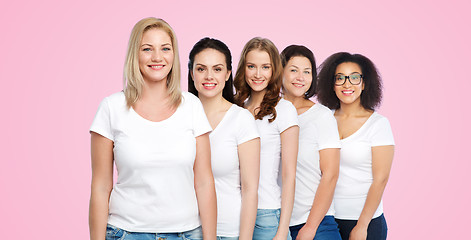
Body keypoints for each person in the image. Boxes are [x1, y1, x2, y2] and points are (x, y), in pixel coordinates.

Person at [89, 17, 217, 240]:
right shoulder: (111, 108)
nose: (157, 57)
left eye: (165, 48)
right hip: (126, 233)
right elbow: (100, 186)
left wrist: (211, 237)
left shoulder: (192, 106)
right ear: (135, 55)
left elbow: (204, 181)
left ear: (173, 55)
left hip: (187, 234)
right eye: (147, 49)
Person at [188, 37, 261, 240]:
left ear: (228, 73)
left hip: (227, 232)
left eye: (217, 69)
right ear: (191, 73)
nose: (209, 76)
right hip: (184, 231)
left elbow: (250, 190)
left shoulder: (241, 119)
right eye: (201, 69)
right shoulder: (180, 116)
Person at [317, 52, 395, 240]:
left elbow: (380, 179)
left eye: (354, 77)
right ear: (331, 84)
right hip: (326, 219)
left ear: (364, 83)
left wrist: (362, 226)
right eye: (340, 78)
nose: (347, 84)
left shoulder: (378, 124)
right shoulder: (322, 119)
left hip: (364, 221)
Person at [233, 37, 299, 240]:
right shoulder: (236, 108)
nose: (258, 74)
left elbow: (289, 176)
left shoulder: (284, 110)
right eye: (251, 66)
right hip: (234, 213)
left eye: (265, 67)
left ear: (274, 71)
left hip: (267, 215)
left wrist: (281, 231)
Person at [280, 45, 342, 240]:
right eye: (293, 70)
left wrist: (310, 227)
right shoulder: (268, 113)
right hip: (275, 222)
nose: (301, 77)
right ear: (280, 72)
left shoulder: (321, 117)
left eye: (307, 72)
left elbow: (330, 175)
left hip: (315, 224)